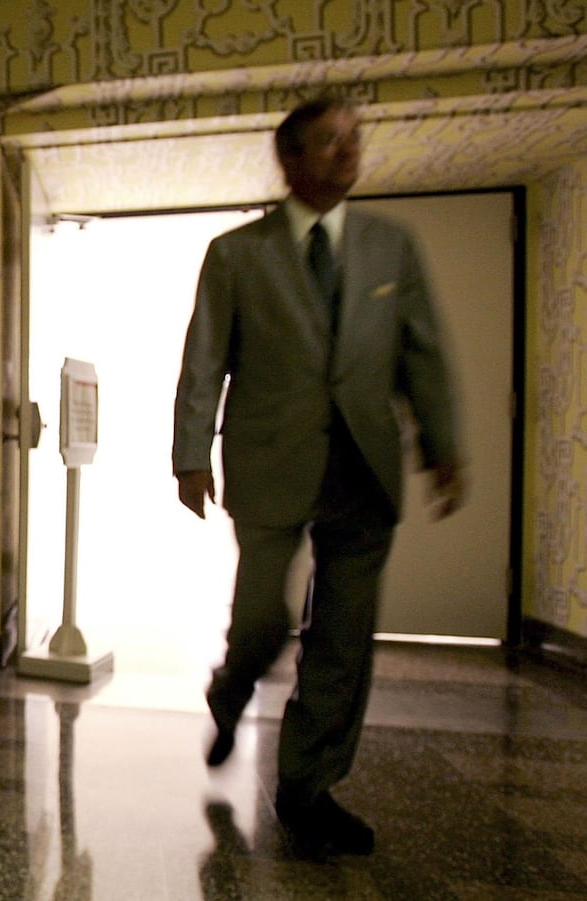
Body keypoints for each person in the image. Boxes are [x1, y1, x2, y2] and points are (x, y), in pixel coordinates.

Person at [171, 96, 466, 858]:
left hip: (364, 468)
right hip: (271, 463)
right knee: (263, 621)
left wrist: (443, 444)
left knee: (342, 638)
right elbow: (205, 357)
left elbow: (422, 353)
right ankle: (230, 690)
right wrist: (191, 451)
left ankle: (308, 785)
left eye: (354, 140)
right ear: (291, 159)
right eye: (330, 141)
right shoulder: (237, 253)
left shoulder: (390, 248)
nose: (348, 152)